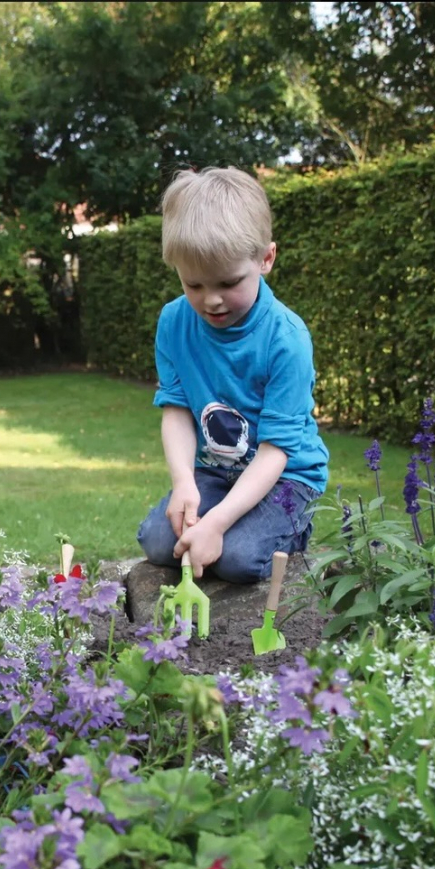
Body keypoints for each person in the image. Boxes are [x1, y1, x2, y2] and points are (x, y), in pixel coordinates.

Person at [137, 166, 328, 583]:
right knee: (159, 542)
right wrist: (184, 483)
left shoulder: (287, 339)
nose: (212, 300)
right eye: (194, 285)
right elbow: (176, 410)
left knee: (237, 558)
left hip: (286, 477)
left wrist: (217, 523)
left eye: (228, 282)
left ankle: (295, 530)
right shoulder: (174, 322)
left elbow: (275, 451)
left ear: (266, 259)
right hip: (216, 469)